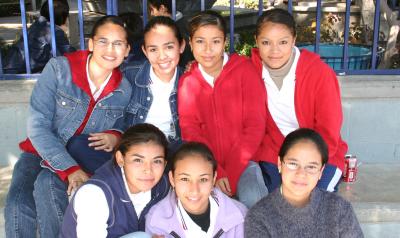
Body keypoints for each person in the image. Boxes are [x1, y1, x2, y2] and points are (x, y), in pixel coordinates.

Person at [4, 15, 132, 237]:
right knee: (18, 204)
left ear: (127, 49)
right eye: (103, 41)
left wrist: (116, 134)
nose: (110, 49)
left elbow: (126, 123)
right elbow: (37, 125)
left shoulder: (124, 89)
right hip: (39, 150)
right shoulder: (60, 70)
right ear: (91, 44)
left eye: (118, 43)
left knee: (49, 189)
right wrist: (69, 168)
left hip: (83, 156)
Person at [251, 8, 347, 193]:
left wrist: (307, 166)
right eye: (266, 42)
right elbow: (217, 66)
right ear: (256, 42)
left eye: (283, 42)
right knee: (278, 204)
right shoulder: (249, 71)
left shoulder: (320, 74)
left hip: (320, 153)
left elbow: (329, 132)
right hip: (276, 154)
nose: (274, 51)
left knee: (314, 203)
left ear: (294, 40)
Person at [178, 10, 267, 208]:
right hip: (205, 167)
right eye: (200, 41)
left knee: (255, 202)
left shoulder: (245, 71)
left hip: (245, 163)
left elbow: (254, 126)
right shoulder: (187, 82)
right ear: (190, 43)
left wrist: (231, 173)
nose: (208, 49)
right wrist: (215, 170)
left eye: (215, 41)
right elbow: (191, 131)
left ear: (225, 42)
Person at [245, 128, 363, 238]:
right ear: (280, 164)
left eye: (311, 167)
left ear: (321, 172)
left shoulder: (340, 209)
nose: (301, 174)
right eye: (293, 164)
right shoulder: (259, 216)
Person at [61, 123, 170, 237]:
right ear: (120, 159)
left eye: (157, 161)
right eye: (138, 160)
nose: (148, 170)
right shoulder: (94, 194)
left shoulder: (163, 185)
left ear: (165, 163)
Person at [146, 142, 247, 237]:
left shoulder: (239, 215)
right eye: (184, 179)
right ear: (172, 179)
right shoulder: (157, 220)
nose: (194, 190)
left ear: (213, 179)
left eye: (203, 179)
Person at [119, 16, 185, 154]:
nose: (162, 56)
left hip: (172, 150)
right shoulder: (129, 75)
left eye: (169, 47)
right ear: (145, 51)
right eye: (153, 49)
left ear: (181, 46)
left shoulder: (189, 81)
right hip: (134, 149)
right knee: (79, 145)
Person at [2, 0, 75, 74]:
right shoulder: (55, 31)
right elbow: (70, 56)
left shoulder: (37, 24)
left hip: (9, 69)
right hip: (22, 73)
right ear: (62, 16)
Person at [148, 0, 194, 68]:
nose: (152, 14)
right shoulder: (182, 24)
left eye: (152, 9)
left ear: (162, 8)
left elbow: (186, 57)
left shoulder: (179, 29)